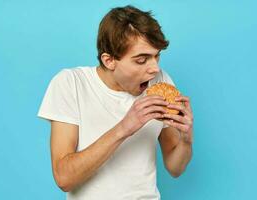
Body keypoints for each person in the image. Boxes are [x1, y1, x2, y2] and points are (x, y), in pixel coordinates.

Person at [37, 5, 194, 200]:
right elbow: (64, 178)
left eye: (156, 56)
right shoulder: (71, 84)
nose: (154, 68)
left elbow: (174, 168)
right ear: (109, 60)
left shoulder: (161, 81)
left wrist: (186, 140)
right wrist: (125, 127)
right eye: (141, 60)